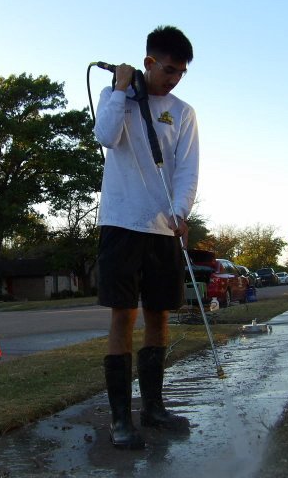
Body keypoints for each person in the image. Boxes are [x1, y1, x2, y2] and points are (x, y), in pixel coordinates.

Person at [93, 25, 199, 450]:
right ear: (149, 62)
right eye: (168, 69)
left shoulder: (183, 111)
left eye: (181, 72)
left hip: (162, 227)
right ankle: (121, 418)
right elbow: (105, 136)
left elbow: (188, 167)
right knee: (123, 314)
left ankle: (153, 406)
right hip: (121, 222)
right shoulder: (114, 98)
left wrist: (180, 211)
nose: (173, 78)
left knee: (160, 313)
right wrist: (120, 89)